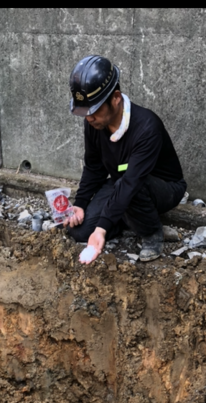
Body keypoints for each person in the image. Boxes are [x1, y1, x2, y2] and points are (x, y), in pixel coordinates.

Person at [66, 55, 187, 262]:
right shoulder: (94, 124)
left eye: (94, 110)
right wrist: (80, 203)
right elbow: (94, 167)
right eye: (84, 111)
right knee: (81, 231)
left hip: (160, 187)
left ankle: (152, 233)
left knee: (128, 188)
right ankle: (127, 217)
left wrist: (102, 227)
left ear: (116, 98)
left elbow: (132, 182)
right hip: (122, 182)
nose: (88, 117)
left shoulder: (147, 127)